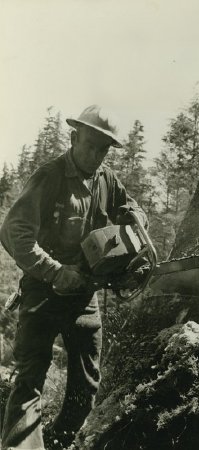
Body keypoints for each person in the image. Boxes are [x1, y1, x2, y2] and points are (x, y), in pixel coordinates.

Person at [0, 105, 148, 450]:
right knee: (29, 382)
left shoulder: (107, 179)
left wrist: (133, 220)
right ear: (73, 137)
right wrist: (53, 271)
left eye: (104, 149)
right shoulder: (49, 176)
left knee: (87, 382)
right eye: (91, 145)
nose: (96, 155)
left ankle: (65, 441)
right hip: (42, 291)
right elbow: (14, 231)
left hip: (84, 295)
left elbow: (134, 209)